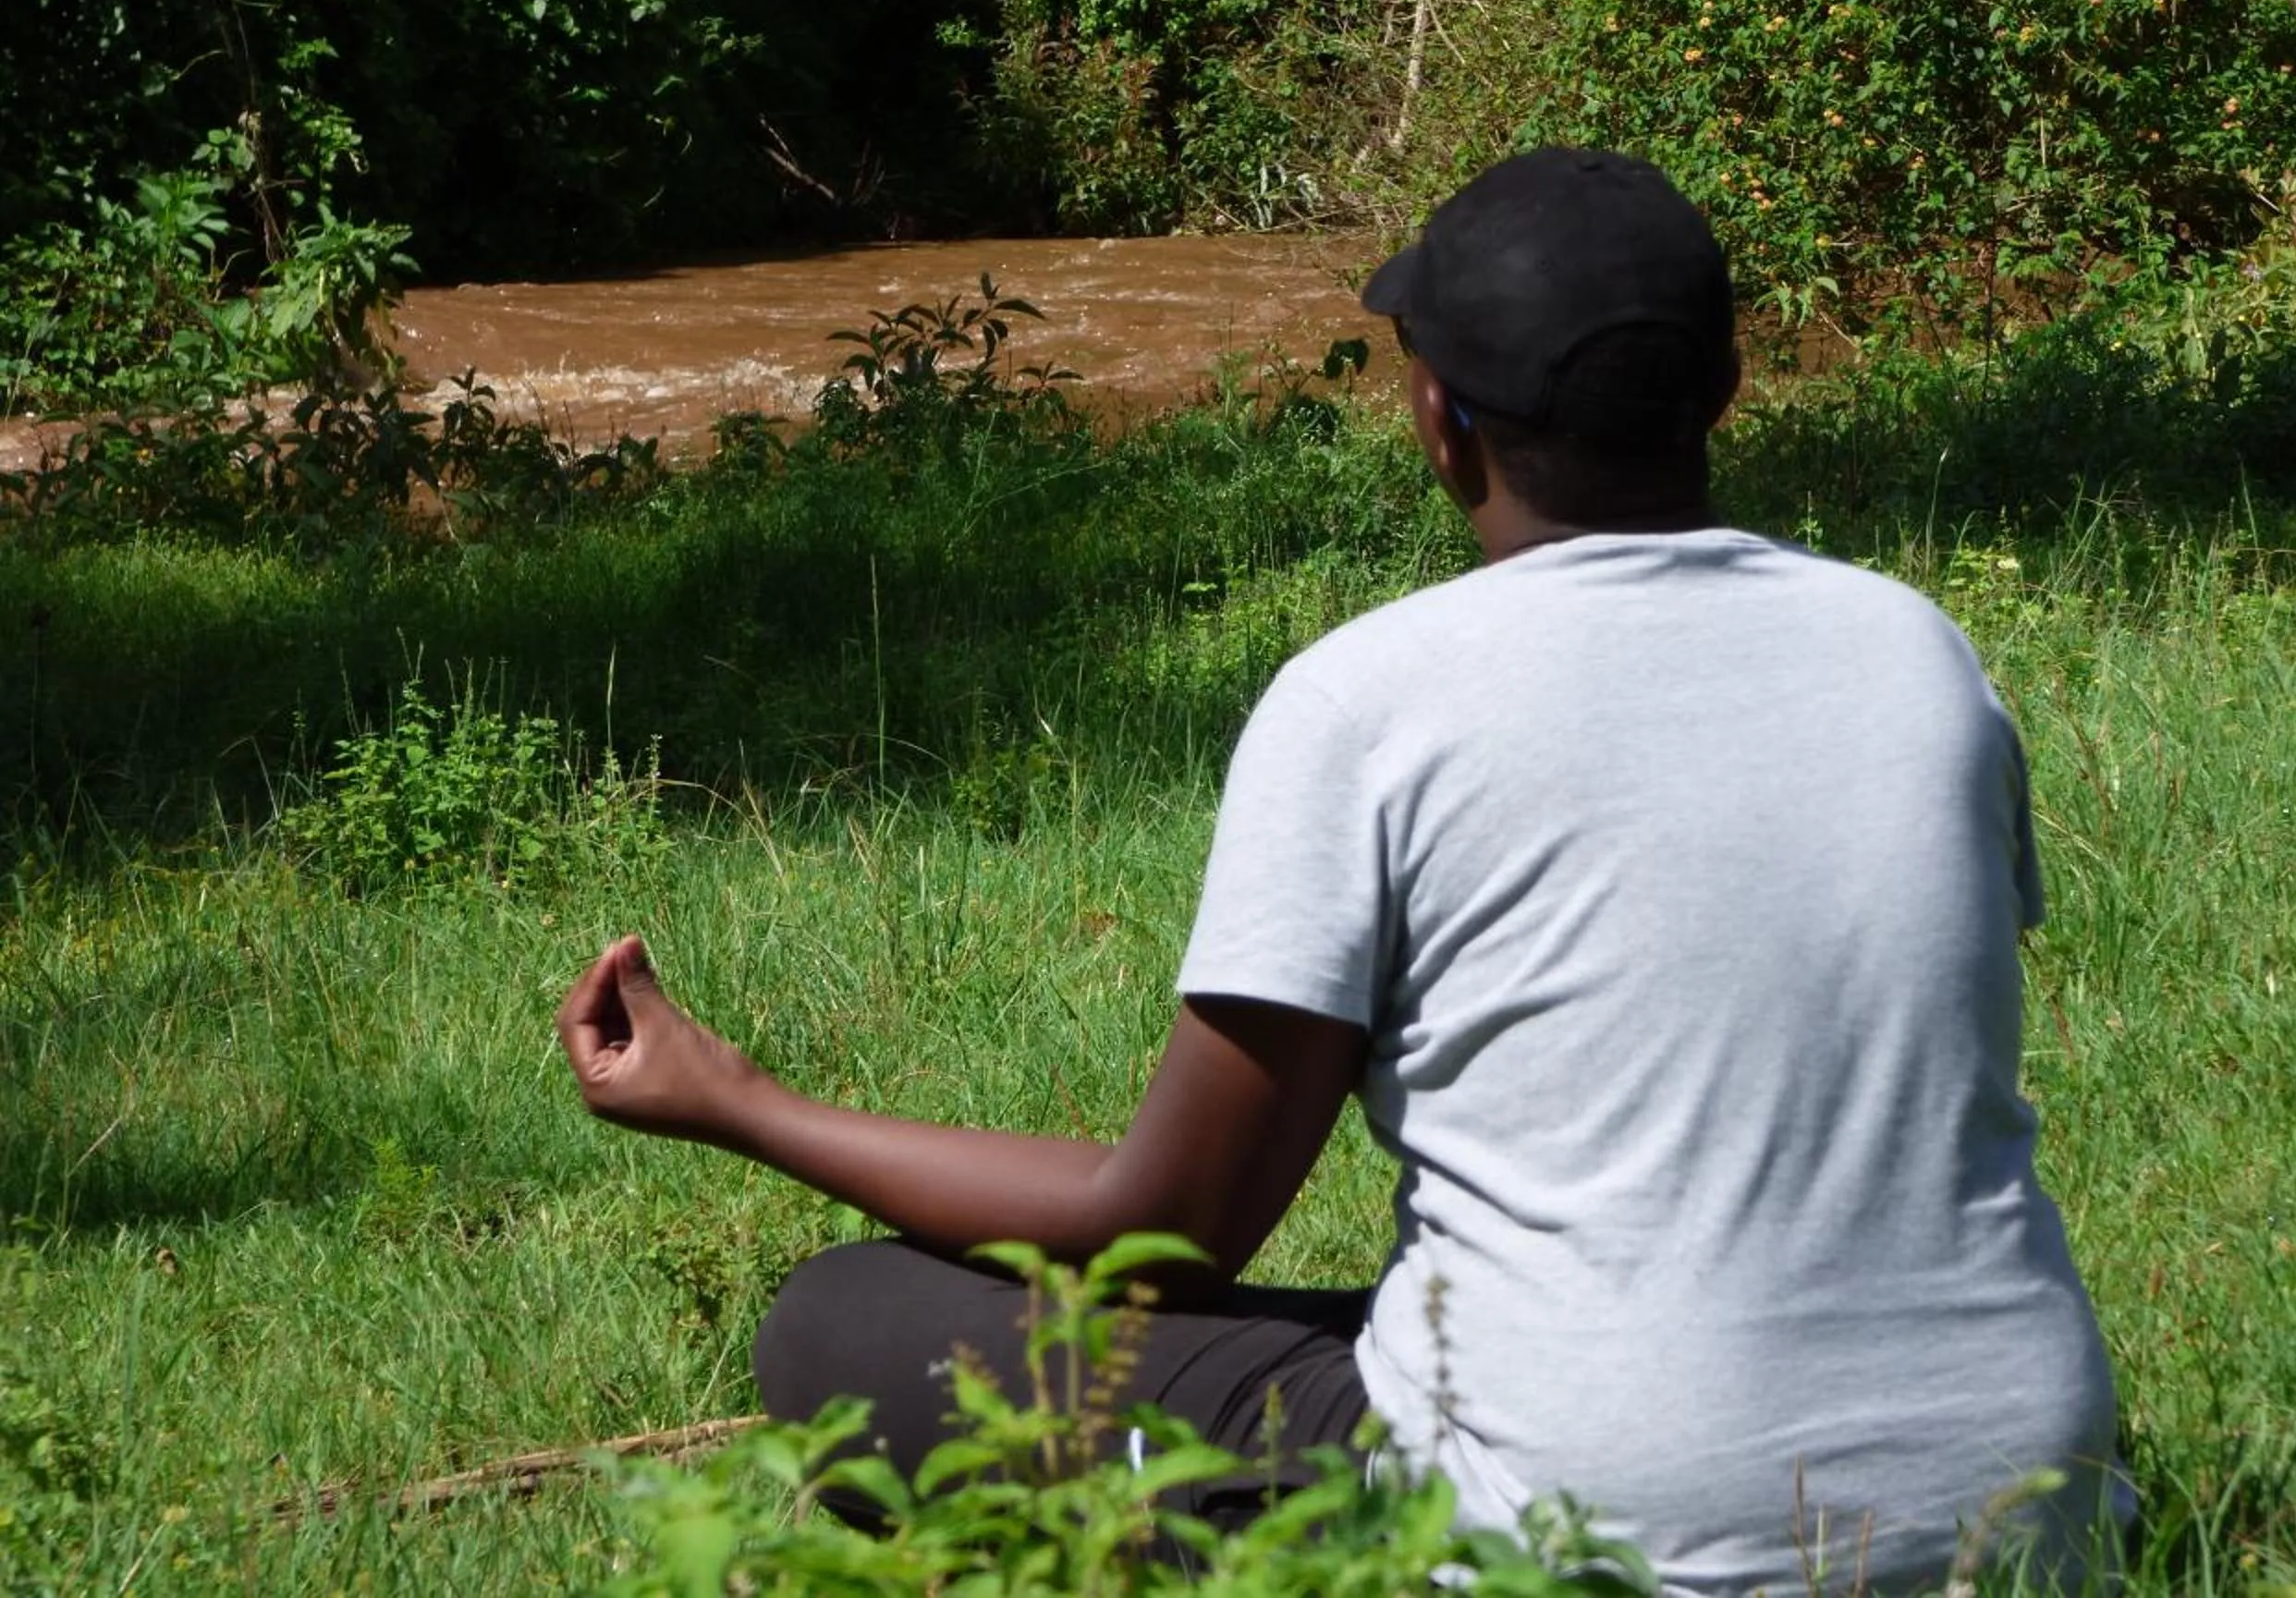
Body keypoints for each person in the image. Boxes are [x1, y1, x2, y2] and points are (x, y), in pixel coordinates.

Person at [556, 148, 2131, 1594]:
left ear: (1437, 417)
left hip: (1591, 1530)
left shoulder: (1372, 699)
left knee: (846, 1323)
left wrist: (741, 1095)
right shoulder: (1916, 652)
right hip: (2028, 1502)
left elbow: (1163, 1228)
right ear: (1723, 385)